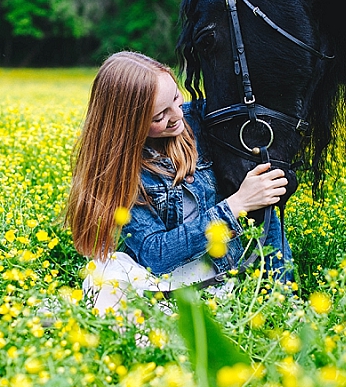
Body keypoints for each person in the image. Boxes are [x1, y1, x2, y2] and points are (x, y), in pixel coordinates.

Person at [65, 51, 292, 312]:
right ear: (128, 125)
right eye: (159, 117)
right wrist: (234, 206)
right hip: (160, 282)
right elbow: (155, 254)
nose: (177, 115)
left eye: (175, 97)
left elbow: (266, 209)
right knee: (107, 279)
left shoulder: (201, 121)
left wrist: (283, 296)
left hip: (218, 277)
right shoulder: (120, 173)